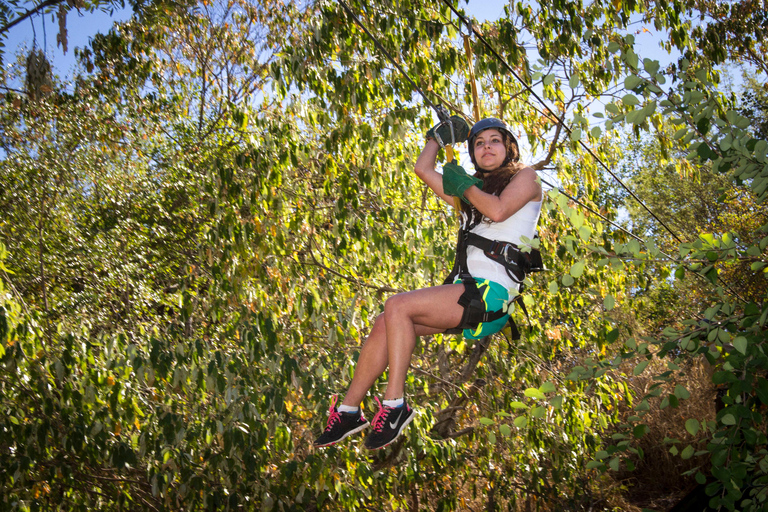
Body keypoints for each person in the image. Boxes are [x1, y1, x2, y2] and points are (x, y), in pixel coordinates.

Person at [313, 116, 543, 450]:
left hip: (492, 292)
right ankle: (349, 410)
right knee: (385, 323)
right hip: (471, 293)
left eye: (494, 140)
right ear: (472, 152)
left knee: (398, 305)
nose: (486, 147)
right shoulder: (470, 194)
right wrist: (437, 138)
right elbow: (423, 169)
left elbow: (498, 211)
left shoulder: (526, 178)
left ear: (509, 146)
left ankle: (394, 405)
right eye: (478, 143)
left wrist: (463, 185)